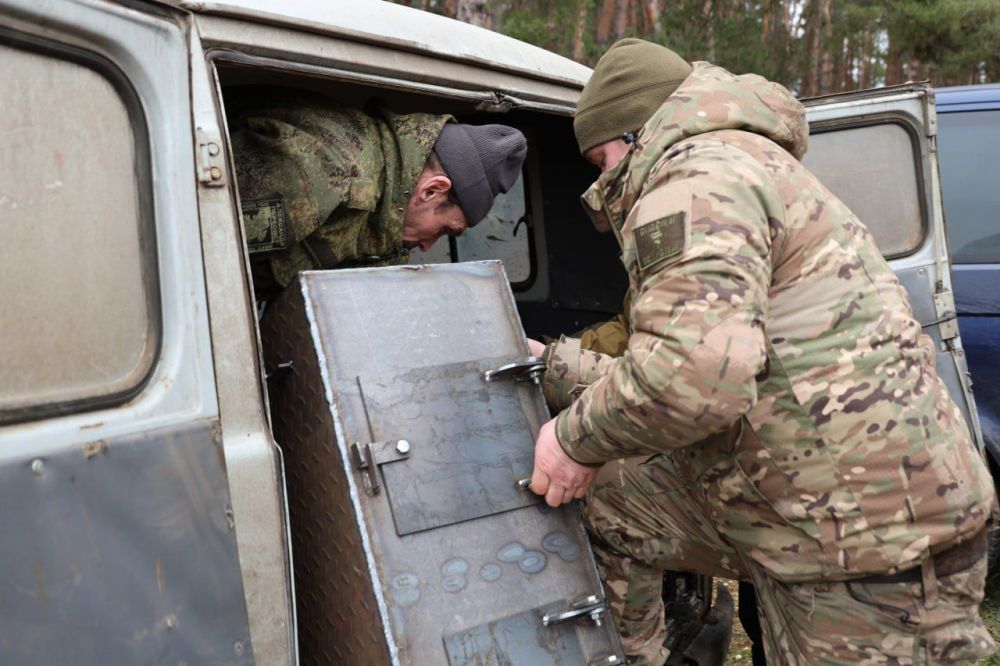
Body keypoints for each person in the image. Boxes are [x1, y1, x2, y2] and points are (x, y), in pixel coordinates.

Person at [527, 38, 997, 664]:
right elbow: (697, 365)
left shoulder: (694, 177)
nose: (601, 178)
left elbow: (691, 378)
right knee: (617, 503)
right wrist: (551, 363)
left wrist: (570, 440)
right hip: (829, 505)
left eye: (598, 158)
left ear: (632, 132)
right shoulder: (744, 161)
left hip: (868, 542)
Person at [228, 90, 527, 296]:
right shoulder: (328, 172)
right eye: (445, 230)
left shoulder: (389, 211)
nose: (427, 247)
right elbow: (206, 250)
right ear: (432, 191)